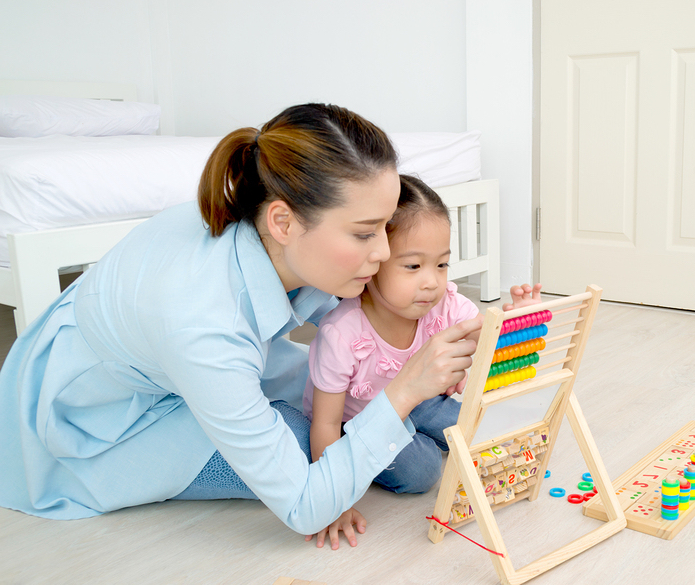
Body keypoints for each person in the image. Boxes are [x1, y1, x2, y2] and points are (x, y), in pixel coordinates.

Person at [0, 103, 482, 547]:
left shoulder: (268, 232)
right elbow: (304, 506)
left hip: (164, 365)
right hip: (101, 422)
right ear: (284, 222)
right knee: (310, 439)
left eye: (384, 227)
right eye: (363, 233)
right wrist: (403, 391)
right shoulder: (202, 325)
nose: (382, 252)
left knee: (335, 404)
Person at [303, 174, 541, 548]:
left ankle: (425, 432)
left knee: (477, 423)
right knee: (422, 472)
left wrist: (519, 319)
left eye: (442, 265)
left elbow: (487, 336)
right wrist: (335, 499)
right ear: (373, 262)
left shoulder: (444, 306)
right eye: (413, 267)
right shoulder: (342, 333)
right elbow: (326, 422)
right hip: (360, 420)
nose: (432, 282)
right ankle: (414, 445)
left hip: (421, 401)